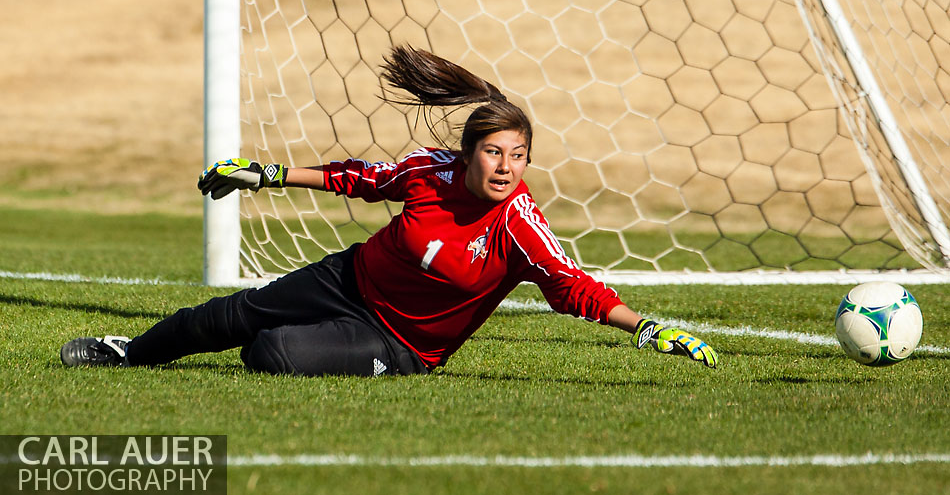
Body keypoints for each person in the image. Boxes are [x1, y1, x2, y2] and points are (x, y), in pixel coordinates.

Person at [60, 45, 718, 376]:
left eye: (519, 155)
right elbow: (362, 179)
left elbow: (570, 285)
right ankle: (129, 353)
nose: (507, 167)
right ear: (467, 155)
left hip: (401, 342)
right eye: (494, 152)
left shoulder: (520, 223)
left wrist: (644, 326)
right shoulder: (429, 172)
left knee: (270, 355)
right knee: (234, 313)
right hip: (350, 278)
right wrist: (267, 175)